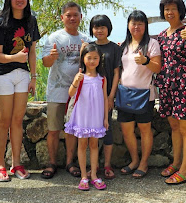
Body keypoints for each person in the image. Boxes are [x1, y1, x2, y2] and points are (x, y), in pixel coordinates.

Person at [0, 0, 40, 182]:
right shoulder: (1, 23)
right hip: (1, 73)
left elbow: (32, 51)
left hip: (22, 74)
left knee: (18, 120)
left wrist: (34, 77)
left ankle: (16, 163)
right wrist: (15, 58)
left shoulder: (31, 21)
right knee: (4, 119)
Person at [40, 2, 90, 179]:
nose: (72, 18)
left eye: (75, 15)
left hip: (78, 93)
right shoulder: (54, 38)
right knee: (53, 129)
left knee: (71, 130)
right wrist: (51, 57)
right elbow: (45, 63)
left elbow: (92, 63)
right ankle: (52, 162)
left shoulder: (86, 39)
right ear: (62, 18)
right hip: (57, 91)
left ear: (81, 17)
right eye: (68, 15)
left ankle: (70, 162)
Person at [154, 0, 186, 185]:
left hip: (183, 84)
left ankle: (185, 170)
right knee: (174, 126)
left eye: (173, 8)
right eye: (166, 9)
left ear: (180, 10)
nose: (169, 12)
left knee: (185, 126)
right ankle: (176, 162)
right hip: (166, 83)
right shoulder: (163, 35)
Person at [117, 10, 161, 178]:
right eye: (133, 23)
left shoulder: (151, 44)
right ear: (128, 25)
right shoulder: (124, 46)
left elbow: (157, 68)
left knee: (144, 130)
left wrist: (146, 61)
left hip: (145, 95)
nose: (136, 27)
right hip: (125, 93)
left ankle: (144, 163)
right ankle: (134, 160)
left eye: (140, 24)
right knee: (127, 130)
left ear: (145, 26)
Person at [64, 44, 109, 190]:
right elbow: (71, 93)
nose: (92, 61)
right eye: (89, 57)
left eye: (95, 58)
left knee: (94, 144)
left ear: (99, 60)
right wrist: (76, 81)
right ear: (83, 59)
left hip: (96, 115)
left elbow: (105, 99)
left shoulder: (102, 78)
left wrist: (105, 119)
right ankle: (84, 176)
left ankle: (94, 174)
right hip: (82, 115)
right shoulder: (80, 77)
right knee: (82, 144)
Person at [88, 15, 121, 179]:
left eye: (102, 27)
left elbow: (116, 73)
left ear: (108, 28)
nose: (99, 30)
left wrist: (110, 96)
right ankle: (93, 167)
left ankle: (107, 165)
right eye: (95, 27)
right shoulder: (89, 47)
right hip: (89, 97)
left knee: (106, 129)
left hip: (106, 95)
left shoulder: (114, 48)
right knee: (89, 131)